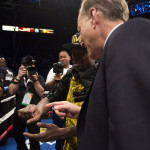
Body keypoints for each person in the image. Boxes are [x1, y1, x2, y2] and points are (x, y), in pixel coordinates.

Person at [76, 0, 150, 149]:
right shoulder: (118, 46)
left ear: (93, 17)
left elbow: (134, 133)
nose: (81, 42)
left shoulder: (125, 37)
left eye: (79, 30)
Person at [18, 33, 97, 150]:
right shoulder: (71, 73)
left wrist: (62, 132)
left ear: (93, 51)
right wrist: (38, 109)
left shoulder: (102, 75)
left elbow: (104, 120)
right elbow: (52, 95)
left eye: (81, 51)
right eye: (73, 51)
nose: (75, 55)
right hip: (71, 144)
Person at [9, 56, 45, 150]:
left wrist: (35, 79)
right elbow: (11, 91)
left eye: (31, 65)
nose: (29, 67)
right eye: (26, 65)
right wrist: (18, 76)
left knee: (35, 138)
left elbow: (41, 93)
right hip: (19, 112)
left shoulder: (39, 77)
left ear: (33, 65)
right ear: (22, 66)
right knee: (17, 136)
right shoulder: (19, 78)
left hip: (33, 112)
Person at [46, 50, 72, 150]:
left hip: (72, 107)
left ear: (69, 57)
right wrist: (55, 79)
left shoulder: (75, 68)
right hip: (58, 109)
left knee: (72, 134)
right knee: (59, 135)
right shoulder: (54, 70)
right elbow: (48, 87)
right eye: (60, 57)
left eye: (64, 56)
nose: (62, 59)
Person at [0, 57, 14, 146]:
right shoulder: (10, 71)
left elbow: (1, 83)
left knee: (2, 119)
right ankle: (10, 135)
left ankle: (2, 141)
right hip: (11, 97)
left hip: (3, 98)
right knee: (9, 117)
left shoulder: (0, 70)